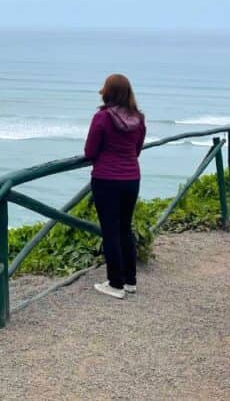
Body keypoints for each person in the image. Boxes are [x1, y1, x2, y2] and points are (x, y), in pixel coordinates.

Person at [84, 73, 146, 300]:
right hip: (131, 178)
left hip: (106, 179)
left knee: (110, 231)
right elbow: (137, 150)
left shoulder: (102, 118)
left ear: (108, 92)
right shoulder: (139, 119)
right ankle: (130, 281)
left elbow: (90, 152)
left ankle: (115, 284)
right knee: (124, 229)